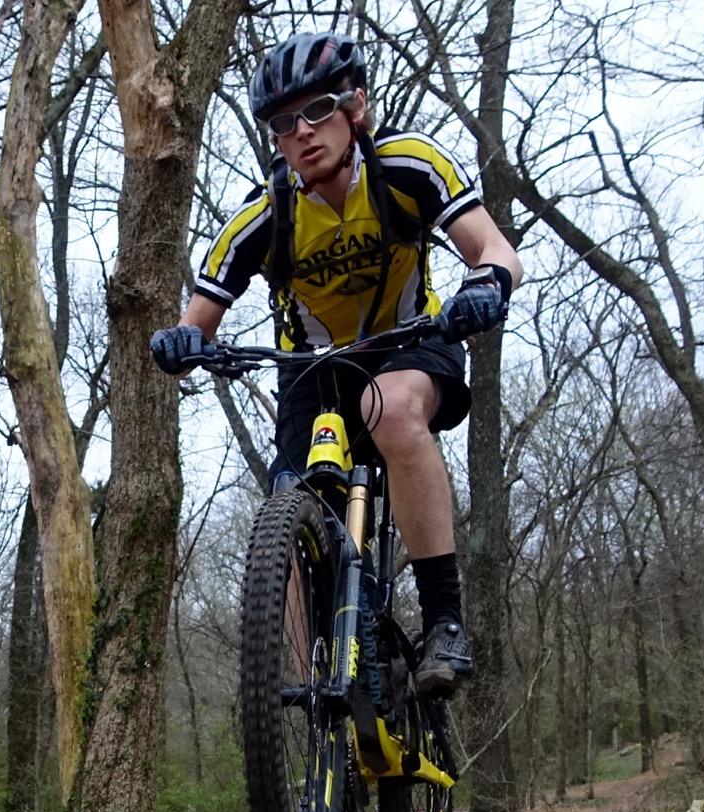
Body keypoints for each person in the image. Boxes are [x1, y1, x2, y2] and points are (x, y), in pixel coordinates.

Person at [151, 32, 522, 697]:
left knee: (391, 406)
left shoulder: (409, 167)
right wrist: (181, 343)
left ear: (358, 108)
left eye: (318, 109)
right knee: (285, 510)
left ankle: (444, 623)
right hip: (312, 370)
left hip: (411, 340)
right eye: (283, 123)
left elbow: (492, 246)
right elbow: (196, 320)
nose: (302, 131)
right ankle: (312, 700)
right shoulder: (264, 217)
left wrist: (487, 285)